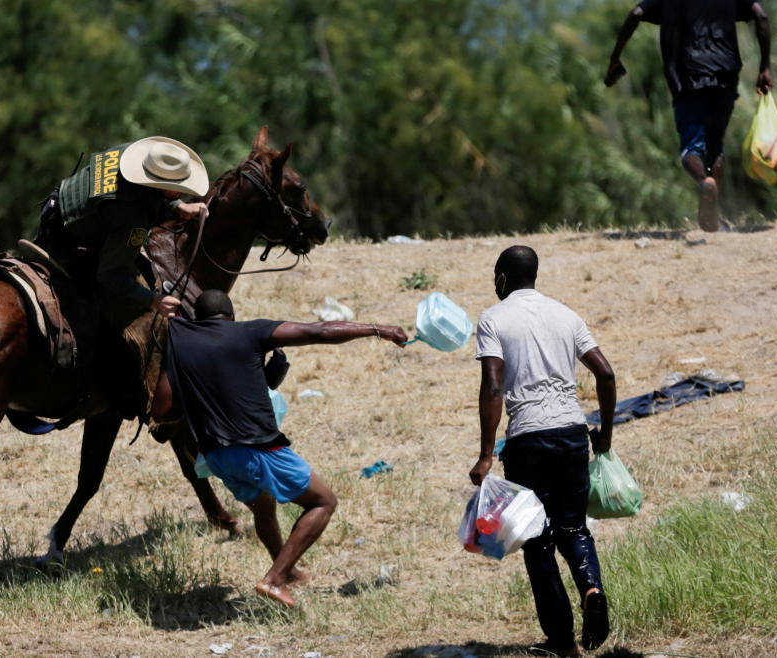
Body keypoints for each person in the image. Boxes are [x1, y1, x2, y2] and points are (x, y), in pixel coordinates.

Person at [152, 289, 407, 607]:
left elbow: (162, 411)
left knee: (263, 506)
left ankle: (287, 571)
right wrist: (379, 329)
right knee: (323, 502)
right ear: (230, 317)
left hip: (216, 456)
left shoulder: (177, 337)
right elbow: (319, 331)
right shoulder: (249, 331)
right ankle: (274, 579)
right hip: (258, 449)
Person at [468, 246, 617, 656]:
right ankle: (591, 589)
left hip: (529, 439)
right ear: (535, 274)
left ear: (501, 277)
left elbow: (494, 386)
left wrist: (485, 453)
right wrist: (603, 432)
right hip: (571, 432)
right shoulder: (566, 314)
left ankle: (562, 642)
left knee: (538, 540)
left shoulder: (493, 319)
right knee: (574, 527)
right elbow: (605, 372)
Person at [604, 0, 772, 232]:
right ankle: (715, 216)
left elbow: (635, 13)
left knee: (691, 147)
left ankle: (704, 181)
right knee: (715, 145)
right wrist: (765, 66)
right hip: (726, 73)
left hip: (687, 76)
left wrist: (615, 58)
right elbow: (761, 16)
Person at [32, 136, 209, 323]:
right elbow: (110, 274)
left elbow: (150, 189)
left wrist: (177, 205)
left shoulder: (132, 153)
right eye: (177, 188)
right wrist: (153, 300)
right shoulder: (133, 219)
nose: (182, 191)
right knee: (89, 318)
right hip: (59, 237)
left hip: (60, 200)